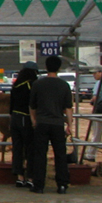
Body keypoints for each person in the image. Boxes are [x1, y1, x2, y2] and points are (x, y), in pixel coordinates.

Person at [29, 55, 73, 194]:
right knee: (60, 154)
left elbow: (32, 106)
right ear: (59, 68)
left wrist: (34, 120)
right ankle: (62, 184)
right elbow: (68, 108)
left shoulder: (38, 84)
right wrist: (70, 125)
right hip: (58, 123)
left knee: (40, 154)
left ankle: (39, 185)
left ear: (46, 67)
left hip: (42, 123)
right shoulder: (64, 85)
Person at [8, 62, 38, 188]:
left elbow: (11, 105)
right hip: (26, 118)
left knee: (17, 148)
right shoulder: (31, 85)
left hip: (14, 118)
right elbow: (33, 104)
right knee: (30, 148)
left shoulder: (16, 85)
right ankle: (30, 177)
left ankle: (19, 177)